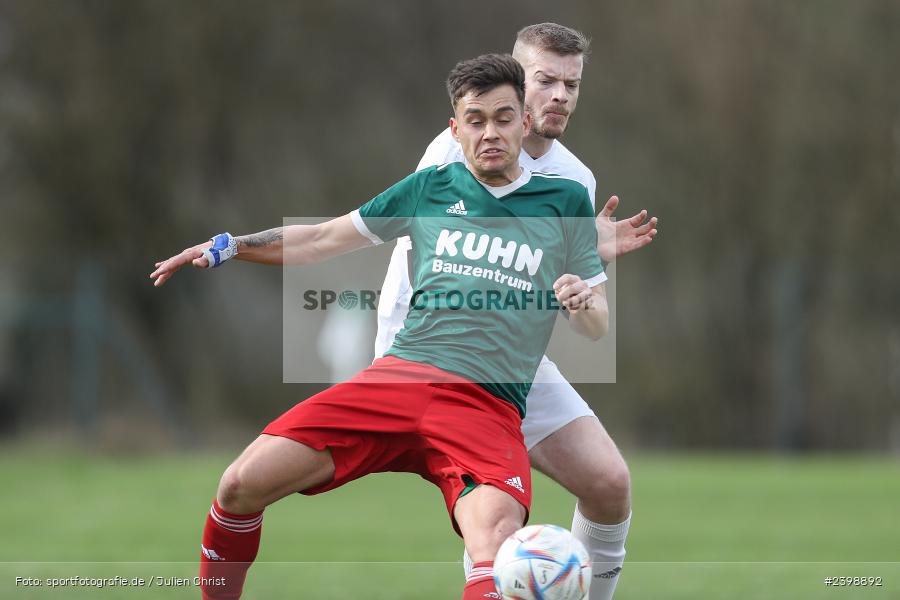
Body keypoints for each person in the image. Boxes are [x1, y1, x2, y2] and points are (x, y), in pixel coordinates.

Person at [151, 53, 608, 600]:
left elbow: (597, 324)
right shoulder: (430, 188)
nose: (491, 132)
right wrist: (230, 247)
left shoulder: (566, 201)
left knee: (499, 544)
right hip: (397, 382)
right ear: (455, 128)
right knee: (239, 485)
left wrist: (581, 300)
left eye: (504, 118)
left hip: (485, 407)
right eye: (476, 119)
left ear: (525, 123)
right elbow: (321, 239)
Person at [376, 23, 657, 600]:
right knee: (494, 522)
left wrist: (582, 276)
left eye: (571, 85)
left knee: (607, 483)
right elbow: (467, 259)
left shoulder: (575, 178)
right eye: (545, 80)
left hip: (510, 362)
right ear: (512, 81)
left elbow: (580, 310)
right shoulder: (456, 147)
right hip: (430, 354)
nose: (560, 96)